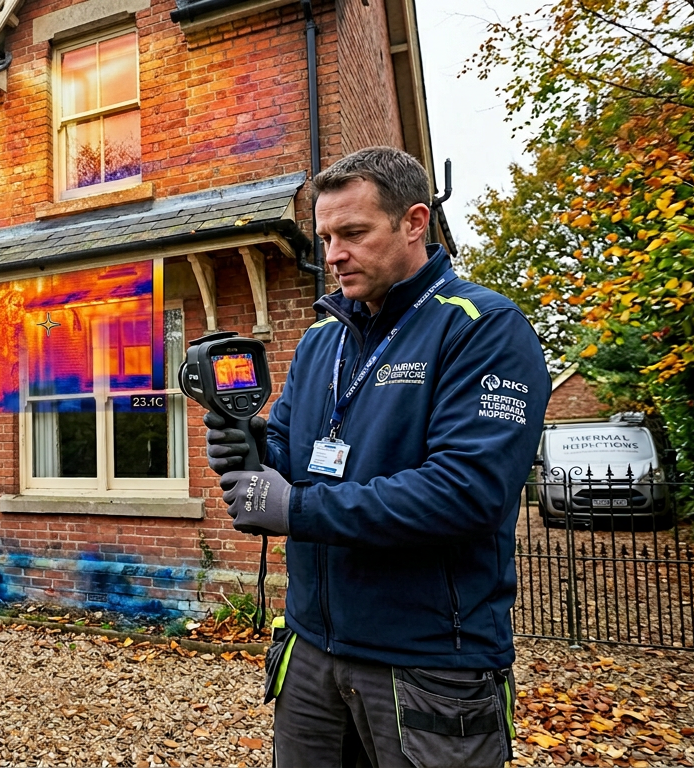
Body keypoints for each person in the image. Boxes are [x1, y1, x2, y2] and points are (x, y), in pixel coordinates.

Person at [205, 146, 549, 767]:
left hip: (428, 664)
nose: (333, 254)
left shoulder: (482, 328)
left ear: (414, 223)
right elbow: (292, 449)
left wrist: (296, 509)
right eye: (327, 236)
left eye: (354, 233)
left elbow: (467, 492)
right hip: (311, 650)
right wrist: (257, 446)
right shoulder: (320, 340)